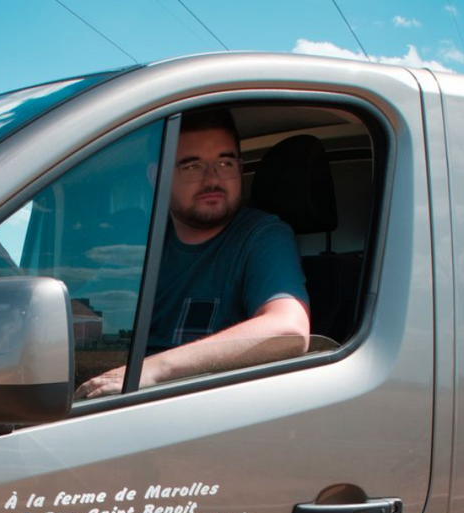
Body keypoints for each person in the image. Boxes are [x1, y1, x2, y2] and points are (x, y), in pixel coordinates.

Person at [76, 108, 311, 399]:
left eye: (225, 163)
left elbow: (289, 330)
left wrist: (152, 370)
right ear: (157, 177)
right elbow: (82, 314)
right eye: (192, 166)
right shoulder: (144, 242)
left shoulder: (261, 235)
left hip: (205, 413)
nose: (212, 179)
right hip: (123, 407)